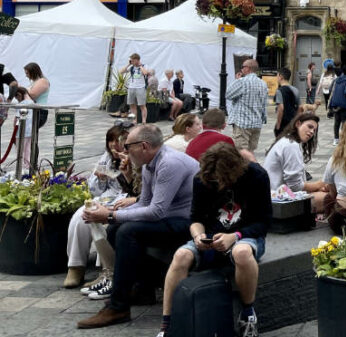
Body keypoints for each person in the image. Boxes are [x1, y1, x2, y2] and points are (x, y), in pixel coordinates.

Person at [77, 124, 200, 329]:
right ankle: (143, 287)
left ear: (143, 146)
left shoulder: (169, 163)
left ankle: (118, 307)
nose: (124, 151)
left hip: (191, 224)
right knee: (116, 229)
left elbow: (156, 212)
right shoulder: (151, 162)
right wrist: (110, 216)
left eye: (127, 146)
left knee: (127, 232)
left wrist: (109, 215)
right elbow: (144, 202)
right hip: (171, 217)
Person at [157, 143, 271, 337]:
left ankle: (247, 313)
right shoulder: (202, 179)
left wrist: (234, 237)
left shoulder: (256, 176)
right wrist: (198, 236)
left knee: (241, 253)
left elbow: (264, 222)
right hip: (211, 236)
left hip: (245, 235)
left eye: (221, 179)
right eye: (214, 180)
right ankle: (166, 325)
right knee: (181, 255)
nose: (218, 183)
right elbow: (195, 219)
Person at [63, 125, 133, 289]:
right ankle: (75, 266)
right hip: (107, 197)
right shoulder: (106, 158)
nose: (114, 145)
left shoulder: (135, 156)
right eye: (111, 141)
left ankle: (106, 269)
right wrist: (100, 178)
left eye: (118, 141)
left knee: (103, 221)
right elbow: (94, 190)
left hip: (127, 200)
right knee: (81, 216)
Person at [263, 111, 328, 212]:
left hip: (276, 197)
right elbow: (295, 187)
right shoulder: (291, 145)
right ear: (298, 124)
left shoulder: (287, 140)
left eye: (314, 130)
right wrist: (318, 184)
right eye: (309, 127)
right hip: (278, 201)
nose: (312, 132)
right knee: (331, 198)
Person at [225, 59, 267, 154]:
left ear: (247, 68)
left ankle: (243, 168)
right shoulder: (263, 83)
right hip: (256, 123)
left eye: (242, 67)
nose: (241, 69)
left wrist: (236, 80)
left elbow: (228, 95)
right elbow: (264, 103)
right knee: (251, 151)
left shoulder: (242, 82)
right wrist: (263, 118)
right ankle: (250, 168)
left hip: (242, 123)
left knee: (241, 151)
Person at [327, 65, 346, 146]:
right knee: (345, 122)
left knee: (337, 122)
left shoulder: (337, 79)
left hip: (335, 103)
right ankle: (344, 139)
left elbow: (332, 90)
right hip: (344, 103)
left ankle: (336, 139)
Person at [120, 54, 151, 125]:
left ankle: (144, 121)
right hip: (131, 87)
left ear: (137, 60)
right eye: (131, 60)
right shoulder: (131, 67)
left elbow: (145, 73)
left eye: (133, 60)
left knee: (142, 105)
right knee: (132, 105)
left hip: (140, 87)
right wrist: (128, 64)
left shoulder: (144, 66)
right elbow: (121, 72)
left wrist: (140, 66)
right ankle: (134, 120)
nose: (132, 62)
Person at [273, 68, 300, 137]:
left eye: (277, 76)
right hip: (293, 120)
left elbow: (281, 108)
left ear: (281, 76)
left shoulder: (280, 91)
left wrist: (278, 124)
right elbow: (299, 107)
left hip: (284, 122)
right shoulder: (295, 90)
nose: (276, 78)